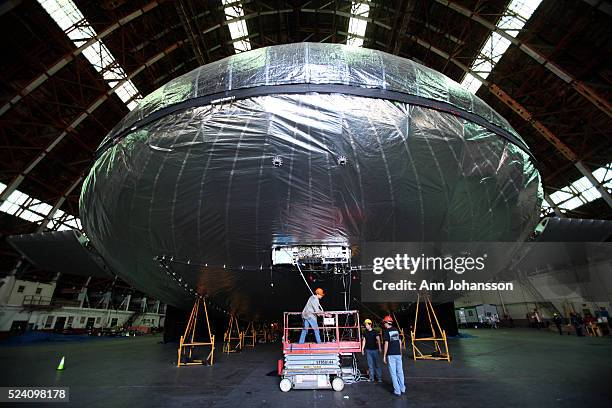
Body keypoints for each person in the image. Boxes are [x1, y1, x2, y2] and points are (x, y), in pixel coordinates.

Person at [382, 315, 405, 397]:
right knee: (400, 372)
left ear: (386, 323)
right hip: (398, 354)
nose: (383, 324)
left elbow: (386, 344)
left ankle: (397, 391)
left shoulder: (387, 332)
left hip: (391, 355)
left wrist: (384, 355)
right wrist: (400, 352)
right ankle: (402, 388)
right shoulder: (396, 330)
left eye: (384, 323)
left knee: (393, 373)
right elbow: (399, 342)